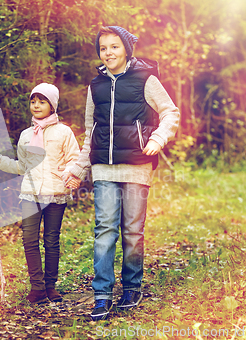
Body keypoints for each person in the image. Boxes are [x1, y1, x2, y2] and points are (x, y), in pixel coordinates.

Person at [62, 26, 180, 320]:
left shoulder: (146, 79)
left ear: (126, 49)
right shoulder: (96, 86)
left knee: (132, 231)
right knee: (104, 231)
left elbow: (170, 112)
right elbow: (91, 132)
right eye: (103, 48)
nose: (108, 53)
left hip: (137, 167)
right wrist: (78, 168)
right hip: (103, 167)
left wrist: (157, 138)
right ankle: (101, 295)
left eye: (114, 47)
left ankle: (132, 286)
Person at [0, 83, 81, 304]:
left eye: (42, 101)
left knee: (51, 240)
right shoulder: (26, 135)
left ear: (52, 105)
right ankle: (37, 287)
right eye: (33, 101)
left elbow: (74, 159)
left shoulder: (64, 132)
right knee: (29, 239)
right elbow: (22, 166)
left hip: (55, 192)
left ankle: (50, 286)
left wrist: (69, 174)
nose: (36, 106)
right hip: (30, 193)